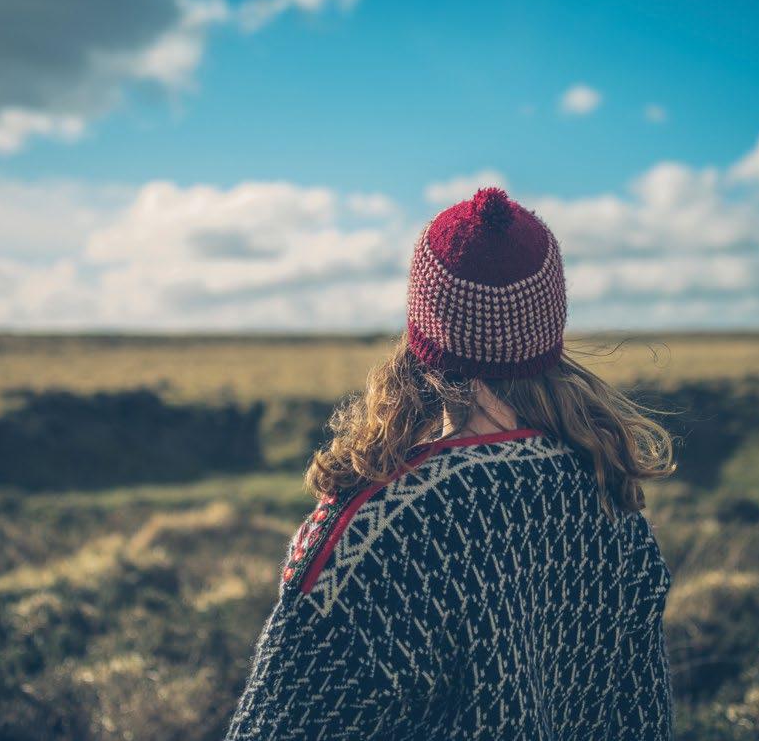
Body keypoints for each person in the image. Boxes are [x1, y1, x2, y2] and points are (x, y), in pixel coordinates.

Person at [224, 187, 677, 740]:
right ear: (548, 330)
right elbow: (644, 719)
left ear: (424, 329)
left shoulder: (381, 534)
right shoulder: (612, 500)